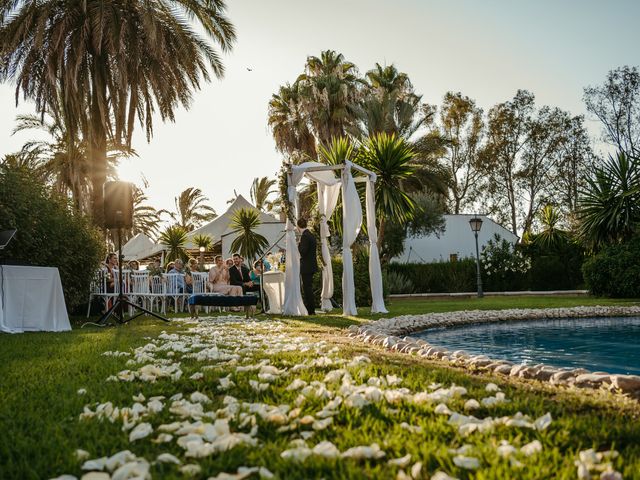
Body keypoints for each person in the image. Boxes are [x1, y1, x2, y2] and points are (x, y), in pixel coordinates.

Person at [297, 217, 317, 315]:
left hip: (306, 267)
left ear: (298, 226)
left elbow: (303, 252)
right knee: (309, 288)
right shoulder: (311, 235)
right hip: (311, 265)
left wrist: (299, 244)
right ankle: (311, 309)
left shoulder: (304, 236)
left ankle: (311, 310)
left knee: (307, 288)